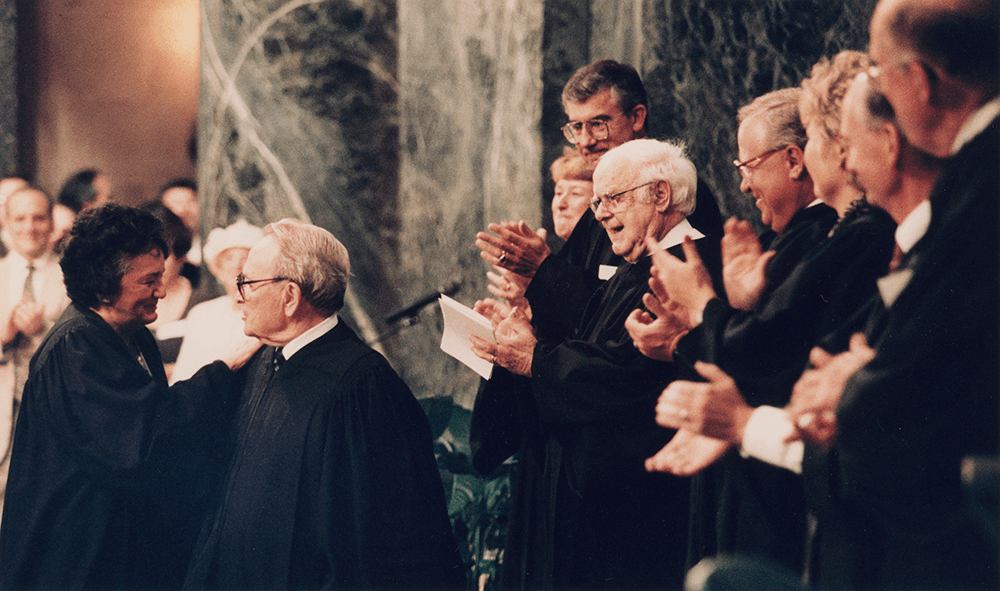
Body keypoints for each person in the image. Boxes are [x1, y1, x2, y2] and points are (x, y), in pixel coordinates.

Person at [470, 139, 722, 590]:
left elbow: (628, 377)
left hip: (633, 512)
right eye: (598, 202)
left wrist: (535, 358)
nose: (600, 214)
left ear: (661, 195)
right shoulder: (639, 268)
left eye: (612, 199)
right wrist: (526, 334)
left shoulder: (686, 268)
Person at [183, 218, 464, 590]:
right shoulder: (263, 360)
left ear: (290, 296)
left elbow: (381, 541)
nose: (239, 295)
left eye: (247, 283)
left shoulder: (361, 386)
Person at [0, 203, 259, 590]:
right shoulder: (77, 346)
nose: (161, 290)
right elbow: (142, 442)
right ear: (103, 282)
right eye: (148, 281)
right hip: (73, 560)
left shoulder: (130, 330)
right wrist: (224, 371)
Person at [0, 186, 70, 527]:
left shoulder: (72, 275)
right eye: (20, 218)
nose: (30, 227)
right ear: (5, 222)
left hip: (54, 414)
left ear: (52, 222)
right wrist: (4, 335)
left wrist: (43, 329)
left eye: (39, 218)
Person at [170, 220, 263, 383]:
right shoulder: (201, 313)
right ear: (217, 268)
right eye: (229, 258)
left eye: (245, 258)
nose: (237, 265)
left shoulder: (266, 314)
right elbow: (183, 373)